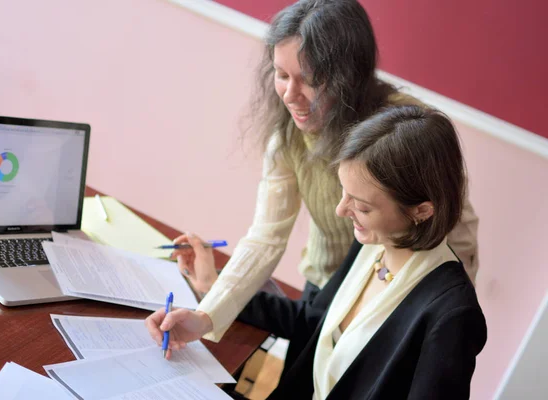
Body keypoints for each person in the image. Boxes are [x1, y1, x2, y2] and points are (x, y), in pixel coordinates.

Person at [175, 0, 479, 343]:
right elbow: (266, 236)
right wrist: (206, 315)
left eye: (310, 80)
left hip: (393, 294)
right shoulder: (287, 137)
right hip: (324, 284)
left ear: (349, 76)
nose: (291, 96)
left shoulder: (406, 131)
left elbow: (458, 232)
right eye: (282, 75)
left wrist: (445, 313)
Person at [146, 105, 487, 399]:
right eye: (344, 192)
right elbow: (311, 320)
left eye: (363, 207)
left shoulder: (452, 316)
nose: (341, 210)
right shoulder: (375, 245)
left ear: (422, 210)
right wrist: (205, 315)